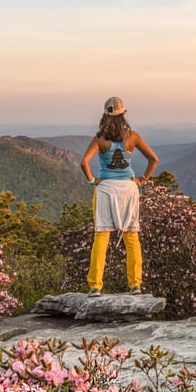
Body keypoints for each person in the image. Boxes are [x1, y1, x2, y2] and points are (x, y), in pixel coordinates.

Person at [80, 96, 159, 297]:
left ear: (105, 114)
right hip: (128, 189)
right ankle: (135, 285)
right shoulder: (132, 137)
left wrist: (92, 181)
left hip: (106, 188)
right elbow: (154, 159)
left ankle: (95, 287)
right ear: (124, 114)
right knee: (131, 237)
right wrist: (143, 180)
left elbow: (84, 163)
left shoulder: (100, 138)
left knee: (101, 237)